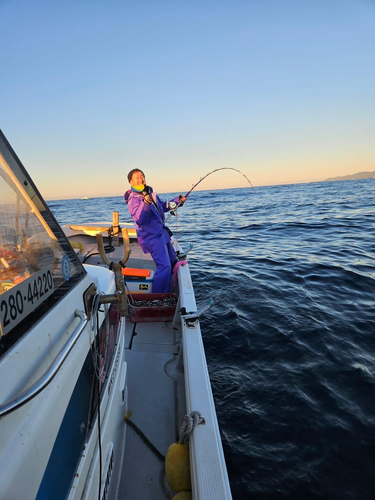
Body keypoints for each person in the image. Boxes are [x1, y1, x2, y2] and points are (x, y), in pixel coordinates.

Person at [124, 169, 186, 293]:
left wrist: (177, 201)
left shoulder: (150, 192)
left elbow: (162, 206)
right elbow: (139, 219)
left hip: (161, 234)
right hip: (151, 238)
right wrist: (145, 203)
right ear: (131, 181)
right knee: (164, 267)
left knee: (173, 261)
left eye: (142, 176)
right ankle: (159, 297)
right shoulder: (133, 199)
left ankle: (170, 288)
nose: (141, 179)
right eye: (137, 177)